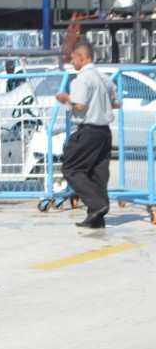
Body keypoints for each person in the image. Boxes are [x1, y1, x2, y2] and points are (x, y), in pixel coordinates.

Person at [56, 41, 119, 229]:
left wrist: (64, 98)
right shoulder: (104, 77)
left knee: (71, 169)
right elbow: (116, 104)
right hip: (104, 132)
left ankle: (97, 204)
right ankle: (96, 218)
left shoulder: (82, 79)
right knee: (98, 173)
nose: (72, 62)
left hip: (88, 130)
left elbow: (80, 105)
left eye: (73, 59)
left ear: (82, 57)